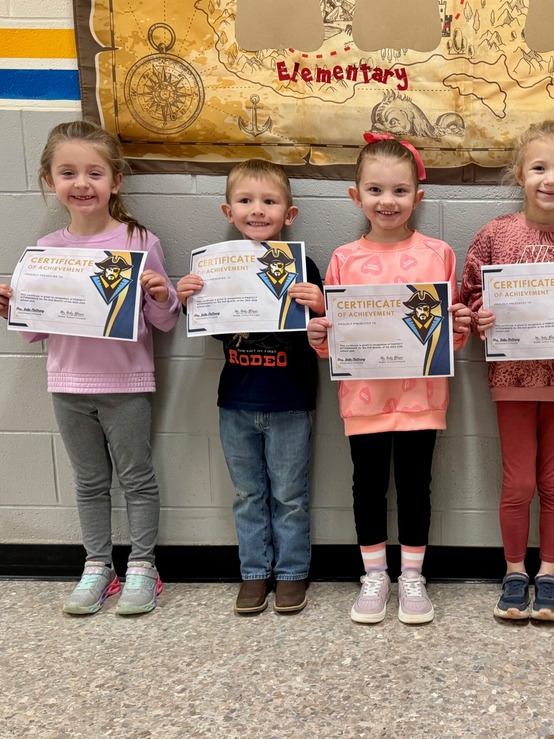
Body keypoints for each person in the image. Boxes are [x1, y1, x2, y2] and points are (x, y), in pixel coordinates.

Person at [0, 120, 179, 615]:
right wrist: (13, 310)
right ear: (50, 181)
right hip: (68, 383)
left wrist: (163, 295)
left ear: (116, 180)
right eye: (68, 172)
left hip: (127, 381)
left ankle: (143, 566)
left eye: (95, 172)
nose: (82, 183)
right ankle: (97, 565)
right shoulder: (46, 250)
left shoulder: (139, 240)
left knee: (137, 476)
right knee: (89, 481)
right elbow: (34, 332)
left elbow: (163, 321)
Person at [307, 133, 472, 625]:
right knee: (368, 486)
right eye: (376, 190)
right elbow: (334, 342)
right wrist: (319, 335)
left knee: (417, 485)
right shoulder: (343, 259)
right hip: (363, 399)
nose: (388, 201)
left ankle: (413, 576)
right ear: (356, 196)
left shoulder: (439, 253)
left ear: (417, 198)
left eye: (400, 191)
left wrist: (458, 328)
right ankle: (375, 575)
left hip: (423, 395)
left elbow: (448, 336)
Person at [460, 120, 554, 623]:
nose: (551, 179)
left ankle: (549, 572)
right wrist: (480, 314)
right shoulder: (494, 235)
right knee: (518, 480)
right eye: (540, 168)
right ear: (519, 174)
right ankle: (513, 571)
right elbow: (467, 296)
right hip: (511, 378)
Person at [176, 159, 324, 615]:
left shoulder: (304, 266)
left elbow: (322, 331)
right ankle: (254, 574)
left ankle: (293, 574)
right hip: (236, 401)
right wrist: (190, 300)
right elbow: (214, 331)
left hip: (290, 400)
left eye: (269, 201)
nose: (257, 211)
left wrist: (319, 302)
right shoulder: (215, 266)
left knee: (290, 496)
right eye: (245, 201)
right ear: (228, 211)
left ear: (289, 214)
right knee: (247, 495)